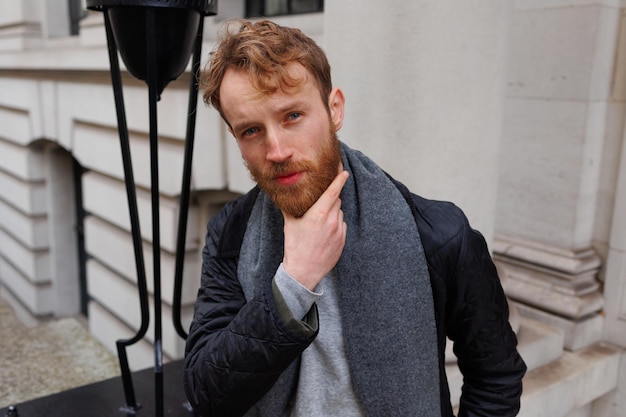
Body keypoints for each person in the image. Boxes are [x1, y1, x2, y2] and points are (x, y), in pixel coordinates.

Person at [184, 19, 526, 417]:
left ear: (334, 110)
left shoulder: (439, 236)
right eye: (251, 131)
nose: (276, 150)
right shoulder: (231, 234)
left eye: (293, 116)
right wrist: (293, 285)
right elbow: (205, 392)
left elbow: (496, 377)